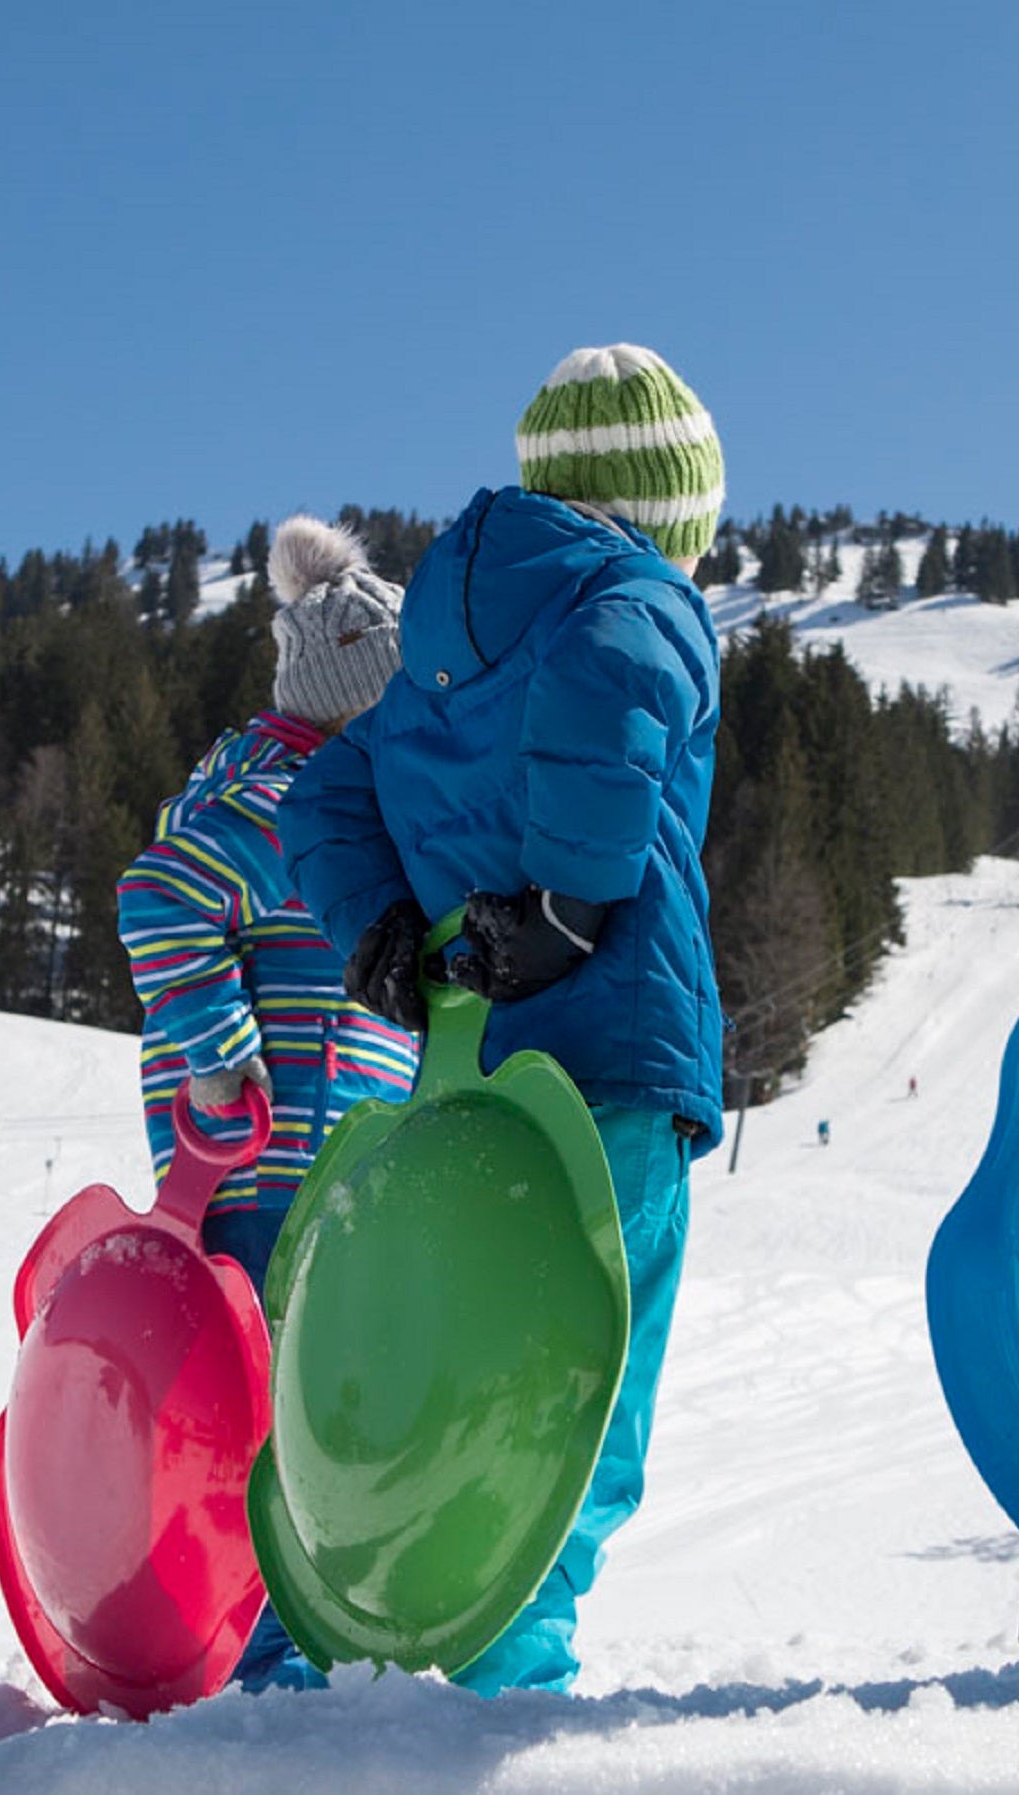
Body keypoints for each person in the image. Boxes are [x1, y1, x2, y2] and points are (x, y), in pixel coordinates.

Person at [280, 343, 725, 1694]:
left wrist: (378, 938)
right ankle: (508, 1660)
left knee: (467, 1349)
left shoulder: (436, 654)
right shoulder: (628, 596)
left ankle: (409, 1633)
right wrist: (576, 900)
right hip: (616, 1051)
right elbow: (606, 678)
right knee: (590, 1379)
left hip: (470, 1077)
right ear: (666, 510)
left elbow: (319, 799)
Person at [117, 513, 420, 1691]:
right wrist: (220, 1051)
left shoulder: (316, 785)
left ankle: (285, 1635)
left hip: (317, 1163)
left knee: (310, 1393)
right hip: (263, 1164)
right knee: (273, 1408)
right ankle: (265, 1648)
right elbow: (157, 897)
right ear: (354, 697)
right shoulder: (286, 791)